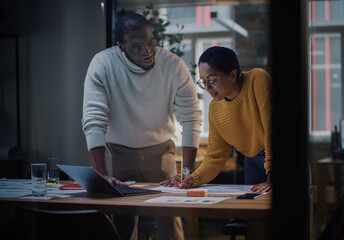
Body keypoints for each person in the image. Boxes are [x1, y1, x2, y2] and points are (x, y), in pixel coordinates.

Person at [82, 13, 202, 240]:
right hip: (118, 151)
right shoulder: (103, 64)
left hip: (161, 150)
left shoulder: (173, 65)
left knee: (169, 218)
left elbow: (191, 119)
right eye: (136, 47)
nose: (147, 52)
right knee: (122, 223)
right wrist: (102, 175)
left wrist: (186, 173)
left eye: (151, 43)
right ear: (121, 46)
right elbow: (93, 118)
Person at [161, 46, 272, 193]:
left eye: (212, 81)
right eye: (203, 81)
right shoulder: (215, 108)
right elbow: (215, 157)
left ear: (232, 75)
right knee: (253, 211)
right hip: (252, 161)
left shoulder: (257, 80)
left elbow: (272, 131)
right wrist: (193, 178)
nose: (207, 87)